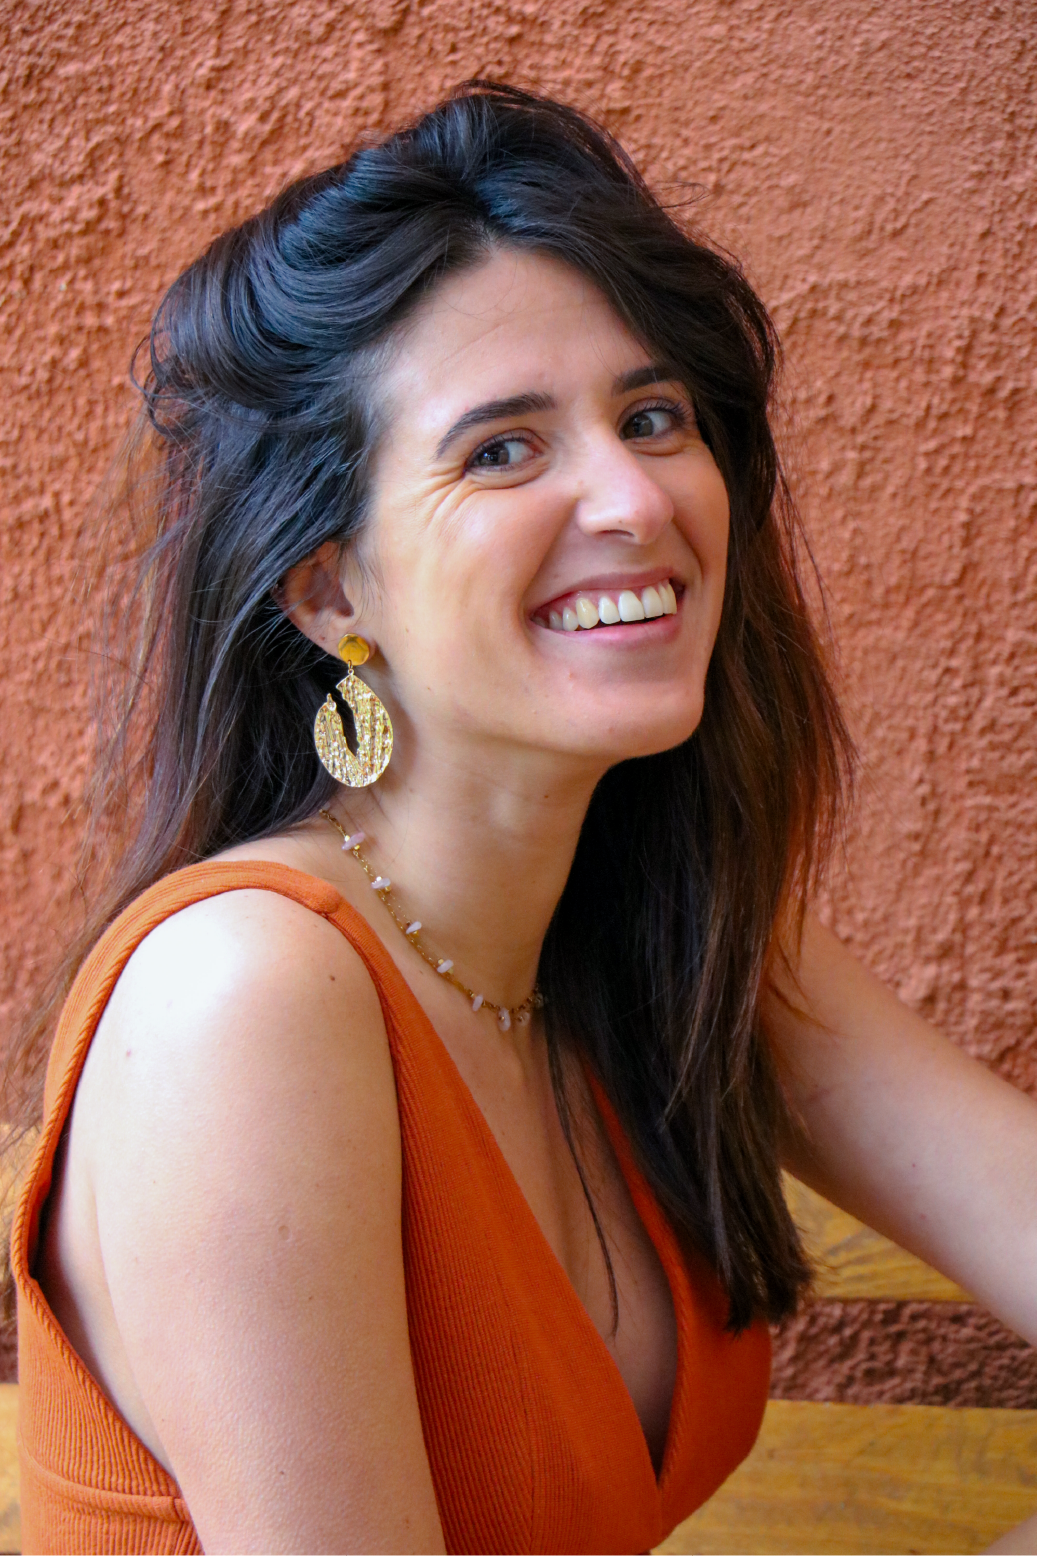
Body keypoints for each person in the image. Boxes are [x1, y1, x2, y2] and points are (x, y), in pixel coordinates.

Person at [7, 83, 1037, 1556]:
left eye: (653, 417)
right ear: (329, 590)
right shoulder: (244, 999)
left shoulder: (669, 935)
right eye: (502, 448)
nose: (633, 499)